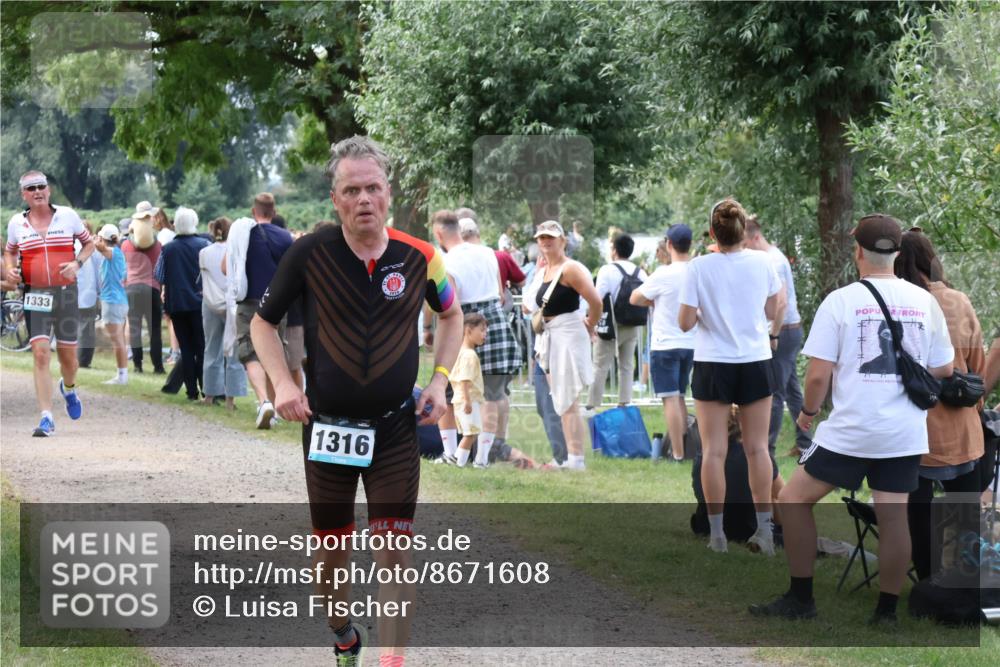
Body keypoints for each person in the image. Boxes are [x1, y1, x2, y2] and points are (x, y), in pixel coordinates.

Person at [251, 136, 461, 666]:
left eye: (373, 188)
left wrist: (439, 381)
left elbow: (452, 315)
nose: (364, 199)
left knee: (394, 550)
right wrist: (283, 385)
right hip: (328, 428)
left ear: (388, 193)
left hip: (395, 428)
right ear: (335, 199)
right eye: (351, 190)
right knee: (331, 555)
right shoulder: (308, 254)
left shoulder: (422, 258)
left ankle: (392, 662)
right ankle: (343, 634)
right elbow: (261, 323)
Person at [751, 214, 954, 624]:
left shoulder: (841, 301)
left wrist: (808, 414)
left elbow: (818, 376)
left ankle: (801, 598)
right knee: (894, 518)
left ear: (858, 251)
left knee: (793, 500)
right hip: (903, 432)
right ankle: (886, 613)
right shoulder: (925, 301)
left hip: (851, 430)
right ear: (897, 252)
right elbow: (944, 368)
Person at [678, 198, 783, 554]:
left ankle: (717, 535)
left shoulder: (698, 267)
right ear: (744, 231)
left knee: (713, 451)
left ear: (712, 233)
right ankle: (764, 531)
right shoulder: (763, 262)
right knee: (758, 448)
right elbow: (773, 309)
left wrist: (707, 313)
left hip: (713, 362)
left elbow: (685, 322)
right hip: (754, 359)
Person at [893, 230, 986, 580]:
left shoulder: (897, 303)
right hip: (962, 427)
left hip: (913, 427)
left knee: (917, 511)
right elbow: (977, 365)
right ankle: (965, 585)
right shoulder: (957, 300)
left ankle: (927, 582)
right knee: (966, 512)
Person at [4, 171, 93, 436]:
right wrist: (10, 270)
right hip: (35, 293)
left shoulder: (67, 216)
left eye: (41, 186)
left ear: (49, 190)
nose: (37, 191)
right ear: (24, 194)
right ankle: (46, 417)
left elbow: (89, 245)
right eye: (31, 188)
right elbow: (10, 251)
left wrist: (77, 263)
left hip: (66, 293)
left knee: (69, 359)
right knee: (41, 353)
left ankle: (69, 388)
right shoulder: (16, 223)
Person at [431, 209, 521, 467]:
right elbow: (501, 295)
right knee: (491, 393)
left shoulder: (445, 261)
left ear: (439, 234)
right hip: (493, 321)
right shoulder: (488, 252)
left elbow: (450, 305)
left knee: (448, 389)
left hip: (464, 322)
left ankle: (451, 453)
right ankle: (482, 458)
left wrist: (431, 329)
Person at [533, 220, 602, 471]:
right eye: (541, 237)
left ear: (563, 240)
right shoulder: (545, 269)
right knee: (561, 400)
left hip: (568, 334)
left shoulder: (570, 269)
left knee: (569, 399)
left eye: (550, 237)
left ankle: (576, 459)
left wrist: (590, 323)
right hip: (551, 336)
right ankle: (571, 458)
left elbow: (596, 302)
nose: (545, 241)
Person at [743, 215, 811, 457]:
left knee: (775, 393)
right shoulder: (773, 257)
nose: (744, 249)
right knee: (792, 391)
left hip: (784, 331)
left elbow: (781, 303)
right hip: (788, 330)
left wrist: (774, 334)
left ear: (755, 238)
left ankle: (767, 448)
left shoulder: (772, 261)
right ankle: (805, 443)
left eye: (745, 243)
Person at [225, 192, 294, 428]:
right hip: (276, 303)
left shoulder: (243, 235)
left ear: (254, 211)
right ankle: (276, 409)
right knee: (274, 352)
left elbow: (226, 267)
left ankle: (264, 401)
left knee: (250, 352)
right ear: (274, 212)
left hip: (248, 301)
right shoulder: (285, 237)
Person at [631, 224, 695, 462]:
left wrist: (655, 301)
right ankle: (686, 446)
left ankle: (677, 453)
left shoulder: (663, 273)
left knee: (670, 398)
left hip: (665, 343)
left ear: (669, 245)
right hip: (690, 342)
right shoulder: (697, 271)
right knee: (680, 396)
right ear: (690, 244)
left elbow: (635, 298)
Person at [587, 233, 648, 411]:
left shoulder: (607, 270)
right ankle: (624, 403)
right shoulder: (640, 272)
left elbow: (597, 298)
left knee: (600, 365)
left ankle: (593, 405)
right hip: (633, 324)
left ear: (614, 250)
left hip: (611, 325)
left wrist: (592, 322)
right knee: (627, 366)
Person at [155, 207, 210, 401]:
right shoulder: (205, 245)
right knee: (202, 347)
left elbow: (158, 275)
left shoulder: (168, 248)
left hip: (177, 304)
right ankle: (206, 389)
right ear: (195, 223)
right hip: (200, 303)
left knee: (186, 349)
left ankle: (191, 392)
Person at [199, 217, 247, 410]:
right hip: (232, 304)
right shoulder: (236, 251)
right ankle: (230, 399)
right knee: (233, 351)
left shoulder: (204, 252)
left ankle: (209, 395)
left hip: (210, 302)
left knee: (211, 348)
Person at [123, 201, 165, 374]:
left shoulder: (125, 245)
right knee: (155, 329)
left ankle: (137, 365)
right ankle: (158, 366)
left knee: (135, 328)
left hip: (132, 288)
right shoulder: (158, 245)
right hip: (152, 288)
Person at [451, 312, 488, 468]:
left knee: (471, 433)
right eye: (482, 330)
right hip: (467, 400)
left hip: (462, 399)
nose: (485, 334)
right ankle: (458, 462)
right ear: (468, 330)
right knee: (470, 434)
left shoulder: (460, 352)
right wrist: (467, 401)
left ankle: (459, 462)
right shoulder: (469, 355)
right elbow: (464, 379)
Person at [94, 224, 130, 385]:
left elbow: (99, 247)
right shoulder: (117, 253)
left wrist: (95, 239)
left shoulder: (113, 252)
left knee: (117, 341)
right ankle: (122, 375)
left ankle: (122, 376)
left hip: (113, 301)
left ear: (103, 239)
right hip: (119, 300)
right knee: (119, 340)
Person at [75, 221, 103, 369]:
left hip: (73, 291)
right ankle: (83, 360)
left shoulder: (70, 245)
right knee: (86, 328)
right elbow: (99, 271)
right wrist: (99, 291)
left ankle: (75, 358)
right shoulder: (92, 248)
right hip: (88, 291)